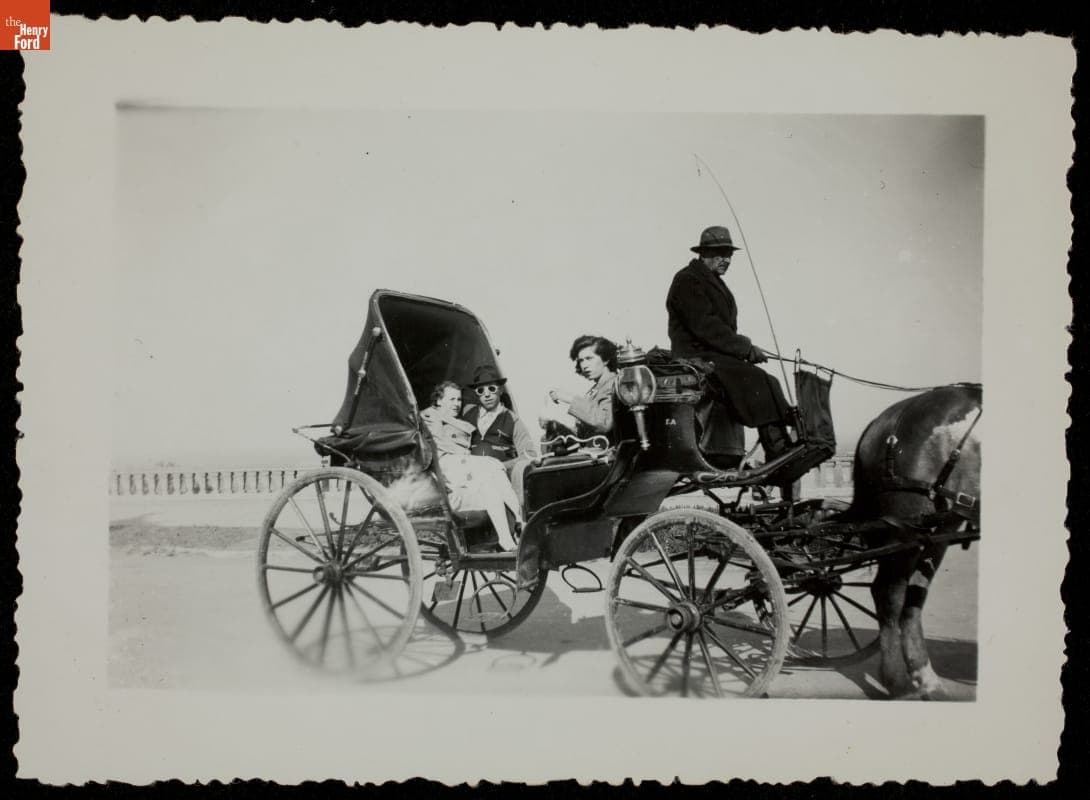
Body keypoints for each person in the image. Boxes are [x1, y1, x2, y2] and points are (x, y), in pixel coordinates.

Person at [665, 225, 794, 461]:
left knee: (765, 380)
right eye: (720, 254)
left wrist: (745, 349)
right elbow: (706, 326)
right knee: (759, 379)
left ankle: (781, 445)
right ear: (703, 253)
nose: (727, 260)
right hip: (695, 357)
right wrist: (745, 348)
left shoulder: (711, 280)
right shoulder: (687, 279)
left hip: (713, 354)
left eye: (729, 254)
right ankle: (778, 451)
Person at [420, 381, 523, 551]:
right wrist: (467, 456)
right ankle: (520, 520)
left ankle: (508, 536)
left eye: (459, 400)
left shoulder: (456, 420)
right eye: (452, 399)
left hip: (459, 466)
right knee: (492, 464)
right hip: (445, 465)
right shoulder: (430, 416)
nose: (456, 404)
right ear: (438, 401)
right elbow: (437, 444)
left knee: (490, 487)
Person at [539, 335, 618, 441]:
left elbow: (605, 423)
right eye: (581, 360)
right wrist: (555, 423)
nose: (584, 365)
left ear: (606, 359)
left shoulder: (614, 384)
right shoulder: (597, 388)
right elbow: (585, 433)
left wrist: (570, 398)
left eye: (589, 358)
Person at [461, 364, 538, 465]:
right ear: (477, 394)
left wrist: (502, 466)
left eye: (491, 388)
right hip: (470, 472)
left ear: (500, 390)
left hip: (501, 473)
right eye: (481, 390)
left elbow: (529, 455)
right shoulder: (467, 415)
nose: (487, 394)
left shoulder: (513, 420)